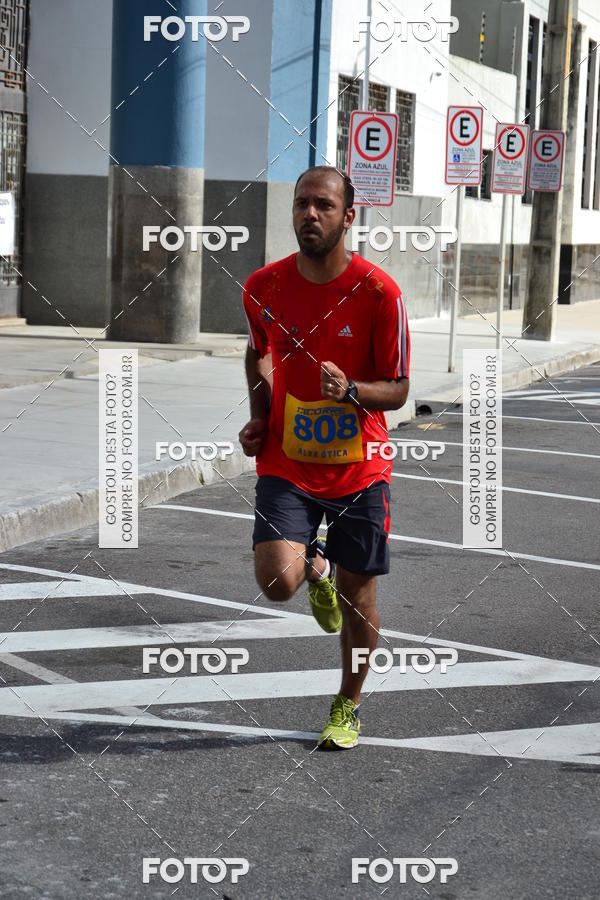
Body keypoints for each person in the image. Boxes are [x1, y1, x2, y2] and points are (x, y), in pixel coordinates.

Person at [239, 166, 410, 749]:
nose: (309, 214)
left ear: (348, 217)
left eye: (324, 205)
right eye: (301, 204)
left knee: (358, 598)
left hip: (360, 468)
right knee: (275, 582)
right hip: (287, 461)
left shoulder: (381, 294)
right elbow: (257, 353)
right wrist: (261, 415)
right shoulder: (263, 287)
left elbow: (400, 389)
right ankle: (315, 567)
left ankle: (347, 703)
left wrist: (353, 391)